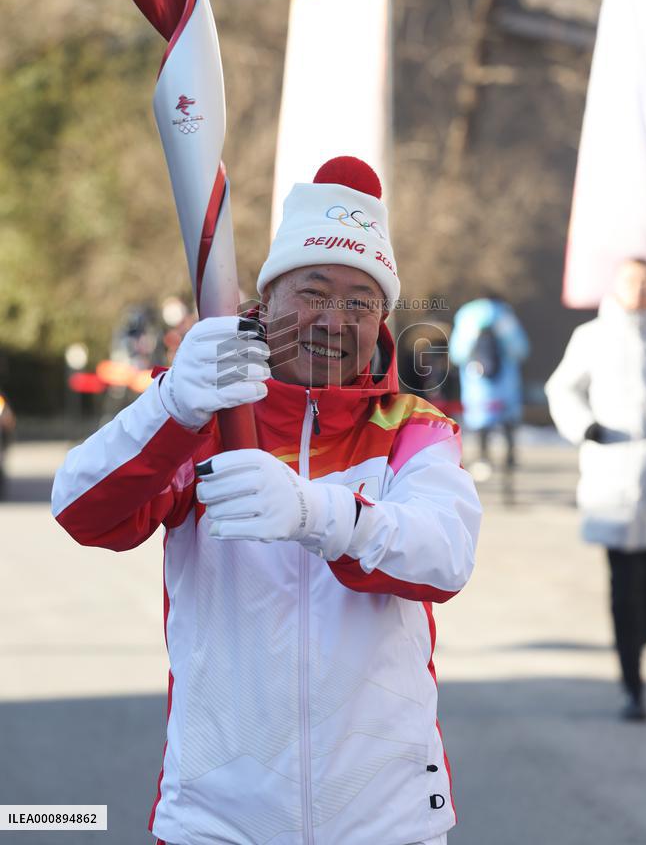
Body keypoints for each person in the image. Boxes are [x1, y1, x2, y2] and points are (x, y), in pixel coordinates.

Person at [52, 157, 482, 845]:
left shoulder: (410, 429)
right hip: (219, 818)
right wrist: (173, 403)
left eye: (361, 302)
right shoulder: (200, 416)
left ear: (381, 319)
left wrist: (318, 514)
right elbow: (83, 511)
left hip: (387, 820)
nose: (334, 319)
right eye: (314, 292)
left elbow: (445, 557)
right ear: (269, 297)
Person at [546, 257, 646, 721]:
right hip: (615, 480)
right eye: (631, 280)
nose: (639, 289)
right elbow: (563, 389)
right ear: (616, 285)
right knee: (624, 590)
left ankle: (639, 641)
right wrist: (586, 427)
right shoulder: (593, 336)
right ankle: (631, 683)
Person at [449, 295, 529, 478]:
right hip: (505, 380)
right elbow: (520, 348)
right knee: (507, 417)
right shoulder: (504, 314)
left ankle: (482, 457)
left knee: (480, 417)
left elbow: (457, 353)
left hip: (476, 380)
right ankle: (509, 457)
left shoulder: (467, 315)